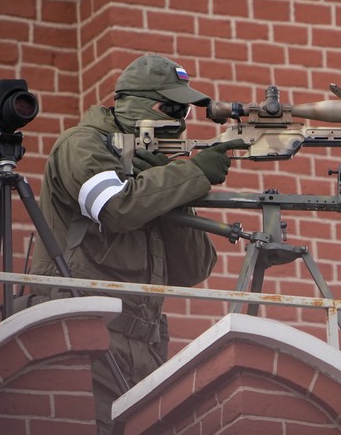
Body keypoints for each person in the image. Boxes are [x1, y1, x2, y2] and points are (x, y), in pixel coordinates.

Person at [29, 54, 244, 433]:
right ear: (137, 105)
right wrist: (190, 173)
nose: (179, 122)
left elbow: (193, 270)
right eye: (172, 108)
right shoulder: (82, 145)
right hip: (79, 339)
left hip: (143, 354)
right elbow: (116, 208)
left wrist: (174, 181)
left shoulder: (155, 170)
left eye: (185, 112)